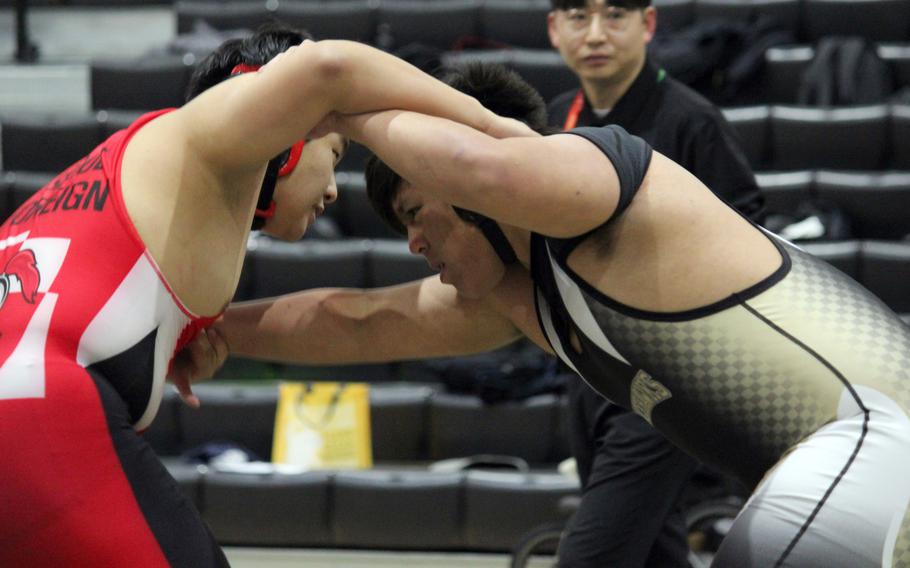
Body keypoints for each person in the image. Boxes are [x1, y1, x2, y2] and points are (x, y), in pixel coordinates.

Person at [185, 59, 910, 567]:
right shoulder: (520, 294)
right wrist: (199, 324)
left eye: (413, 210)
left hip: (877, 439)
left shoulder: (593, 176)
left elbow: (488, 166)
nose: (411, 241)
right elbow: (359, 320)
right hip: (847, 469)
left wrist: (329, 102)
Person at [0, 24, 519, 567]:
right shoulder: (211, 134)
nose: (335, 188)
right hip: (39, 415)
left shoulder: (113, 181)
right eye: (335, 152)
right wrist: (490, 127)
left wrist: (168, 341)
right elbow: (328, 68)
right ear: (293, 134)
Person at [545, 0, 765, 564]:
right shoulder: (552, 121)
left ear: (647, 24)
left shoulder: (692, 120)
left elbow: (747, 238)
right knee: (654, 549)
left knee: (593, 554)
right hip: (586, 368)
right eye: (577, 17)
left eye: (614, 16)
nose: (595, 34)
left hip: (666, 373)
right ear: (553, 30)